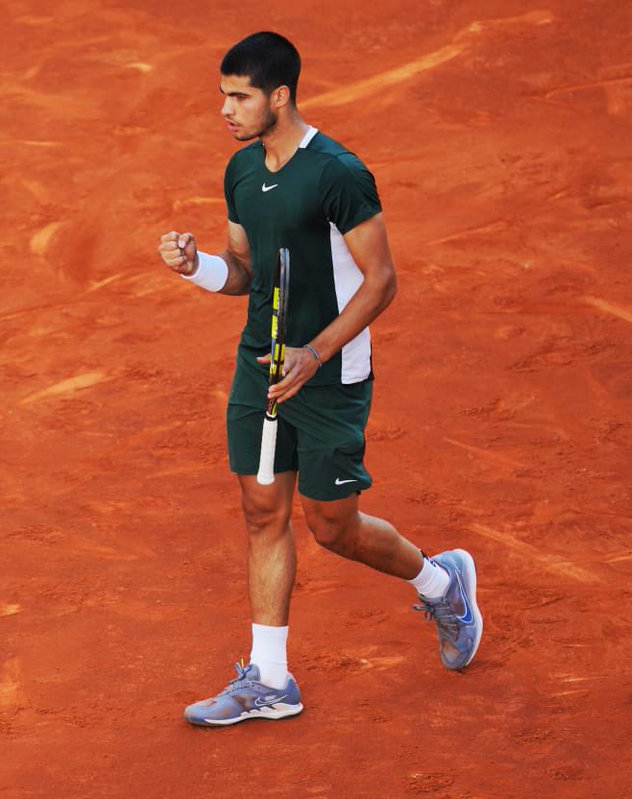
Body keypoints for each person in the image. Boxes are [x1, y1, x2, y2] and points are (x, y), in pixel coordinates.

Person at [156, 31, 482, 727]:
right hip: (262, 365)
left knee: (332, 527)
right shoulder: (242, 173)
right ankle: (270, 678)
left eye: (240, 96)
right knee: (261, 511)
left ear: (280, 96)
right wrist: (198, 268)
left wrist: (317, 352)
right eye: (224, 96)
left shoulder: (338, 173)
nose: (226, 109)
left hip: (330, 376)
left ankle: (440, 581)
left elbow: (381, 279)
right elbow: (246, 274)